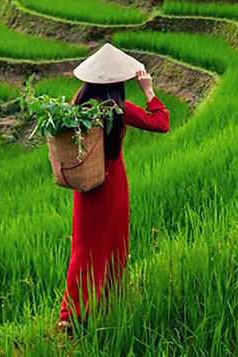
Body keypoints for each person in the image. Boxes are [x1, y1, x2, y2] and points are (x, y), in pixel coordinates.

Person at [58, 43, 170, 335]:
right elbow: (161, 123)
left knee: (83, 247)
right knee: (113, 243)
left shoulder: (77, 105)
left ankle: (69, 314)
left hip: (87, 185)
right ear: (119, 82)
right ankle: (107, 303)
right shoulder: (119, 108)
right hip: (113, 181)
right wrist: (148, 90)